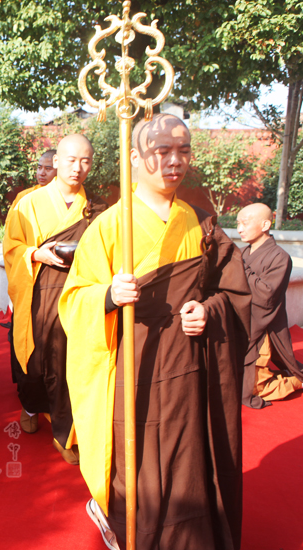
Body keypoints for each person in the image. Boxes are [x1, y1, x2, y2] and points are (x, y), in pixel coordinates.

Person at [59, 114, 251, 550]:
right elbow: (72, 303)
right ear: (133, 157)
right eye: (162, 151)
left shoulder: (201, 225)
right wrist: (107, 296)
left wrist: (209, 310)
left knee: (190, 461)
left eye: (183, 151)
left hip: (188, 368)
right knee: (137, 461)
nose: (174, 161)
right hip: (133, 364)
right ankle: (133, 534)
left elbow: (233, 292)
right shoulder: (109, 226)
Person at [3, 135, 107, 464]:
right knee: (34, 362)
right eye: (72, 160)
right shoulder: (28, 204)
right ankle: (31, 404)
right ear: (57, 162)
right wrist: (36, 253)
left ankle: (66, 433)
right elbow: (11, 248)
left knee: (68, 362)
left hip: (77, 292)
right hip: (37, 289)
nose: (78, 168)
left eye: (86, 161)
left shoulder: (96, 209)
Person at [236, 203, 303, 408]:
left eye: (245, 223)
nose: (239, 228)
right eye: (238, 223)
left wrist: (238, 268)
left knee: (254, 389)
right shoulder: (242, 253)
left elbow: (266, 296)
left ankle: (296, 381)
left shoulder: (280, 257)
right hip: (239, 324)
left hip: (262, 327)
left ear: (265, 224)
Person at [4, 148, 59, 385]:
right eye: (39, 167)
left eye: (48, 168)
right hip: (30, 274)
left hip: (63, 277)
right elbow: (10, 242)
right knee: (26, 330)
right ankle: (28, 397)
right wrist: (34, 254)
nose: (41, 173)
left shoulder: (81, 203)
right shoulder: (24, 199)